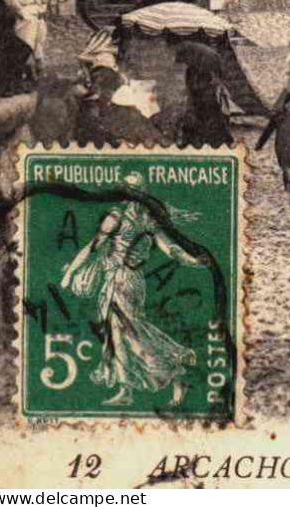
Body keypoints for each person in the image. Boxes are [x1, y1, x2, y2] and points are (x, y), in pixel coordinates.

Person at [58, 172, 203, 407]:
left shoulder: (117, 217)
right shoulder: (149, 220)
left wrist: (69, 274)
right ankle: (160, 379)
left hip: (119, 281)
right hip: (135, 281)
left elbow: (92, 247)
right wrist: (192, 260)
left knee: (126, 334)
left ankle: (173, 364)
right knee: (128, 333)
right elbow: (171, 249)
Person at [75, 67, 162, 148]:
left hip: (120, 113)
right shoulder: (98, 99)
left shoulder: (121, 94)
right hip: (110, 118)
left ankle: (145, 135)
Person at [0, 0, 46, 96]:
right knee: (21, 53)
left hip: (34, 17)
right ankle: (9, 84)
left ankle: (19, 83)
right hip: (24, 20)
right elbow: (11, 2)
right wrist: (25, 15)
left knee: (31, 51)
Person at [256, 94, 290, 191]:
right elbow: (269, 130)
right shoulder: (278, 116)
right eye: (287, 104)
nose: (289, 106)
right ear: (284, 104)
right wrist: (260, 143)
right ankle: (286, 186)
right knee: (284, 165)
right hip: (282, 142)